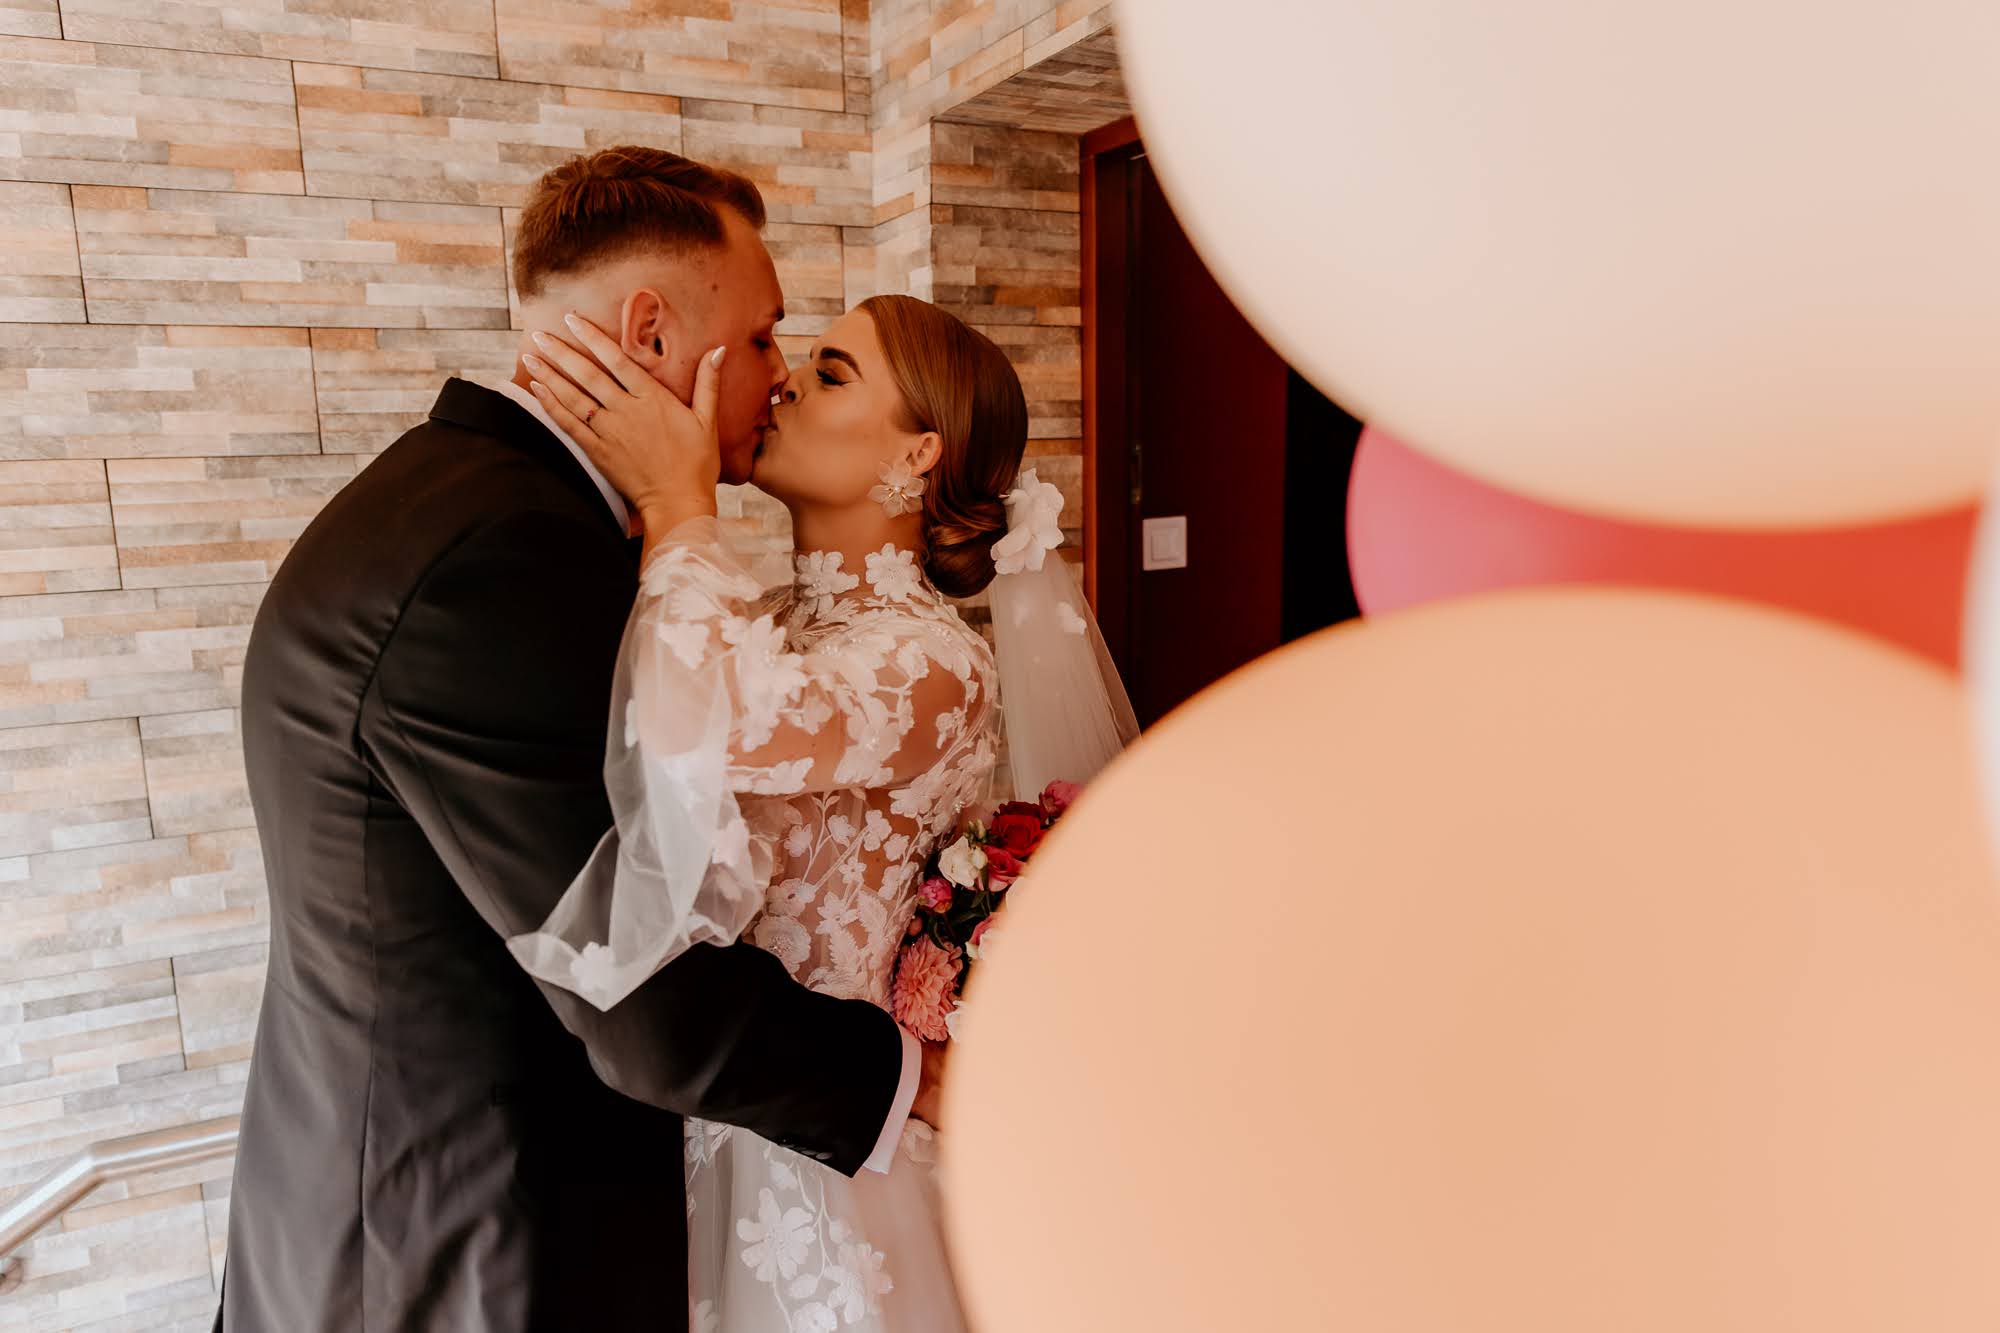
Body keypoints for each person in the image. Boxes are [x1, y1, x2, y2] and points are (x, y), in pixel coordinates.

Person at [215, 147, 938, 1333]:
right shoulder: (500, 560)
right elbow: (638, 991)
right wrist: (903, 1074)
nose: (776, 376)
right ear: (651, 331)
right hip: (461, 1254)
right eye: (763, 336)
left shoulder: (454, 502)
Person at [516, 284, 1138, 1329]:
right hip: (689, 1120)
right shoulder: (750, 618)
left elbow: (705, 726)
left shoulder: (934, 664)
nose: (787, 382)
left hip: (828, 1160)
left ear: (918, 454)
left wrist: (679, 505)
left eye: (832, 372)